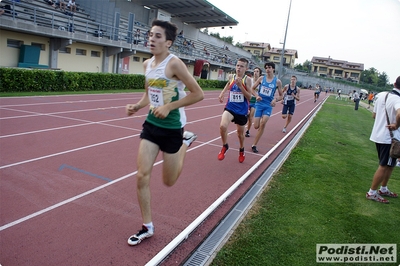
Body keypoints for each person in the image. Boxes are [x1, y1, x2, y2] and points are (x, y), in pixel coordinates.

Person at [125, 20, 204, 245]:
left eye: (158, 36)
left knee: (169, 181)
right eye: (150, 35)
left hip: (172, 128)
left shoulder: (175, 64)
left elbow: (198, 94)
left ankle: (185, 144)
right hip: (151, 125)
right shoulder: (147, 65)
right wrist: (137, 106)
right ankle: (147, 227)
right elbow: (149, 94)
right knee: (142, 175)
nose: (151, 39)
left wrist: (169, 107)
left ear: (168, 42)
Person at [366, 76, 400, 203]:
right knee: (384, 165)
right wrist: (396, 125)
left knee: (390, 165)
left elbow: (374, 115)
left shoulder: (382, 95)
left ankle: (383, 188)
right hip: (390, 138)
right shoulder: (397, 99)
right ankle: (372, 192)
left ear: (394, 83)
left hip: (379, 135)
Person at [217, 58, 253, 162]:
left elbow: (250, 97)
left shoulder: (247, 80)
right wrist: (222, 93)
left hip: (241, 111)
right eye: (237, 65)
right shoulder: (231, 76)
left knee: (240, 134)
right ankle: (225, 146)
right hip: (230, 107)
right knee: (223, 126)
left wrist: (241, 86)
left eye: (241, 66)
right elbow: (228, 83)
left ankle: (241, 150)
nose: (238, 68)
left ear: (246, 68)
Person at [250, 62, 283, 153]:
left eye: (269, 67)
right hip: (259, 104)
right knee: (256, 126)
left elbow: (281, 96)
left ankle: (254, 145)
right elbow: (252, 89)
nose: (267, 69)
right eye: (266, 68)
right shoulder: (261, 79)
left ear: (273, 69)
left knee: (263, 123)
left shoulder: (277, 81)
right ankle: (260, 123)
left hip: (268, 105)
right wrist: (256, 96)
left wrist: (275, 100)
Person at [245, 67, 262, 137]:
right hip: (248, 99)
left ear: (260, 73)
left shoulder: (261, 83)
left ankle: (248, 131)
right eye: (254, 71)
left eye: (257, 71)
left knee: (251, 117)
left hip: (255, 101)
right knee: (245, 115)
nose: (255, 73)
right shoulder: (250, 80)